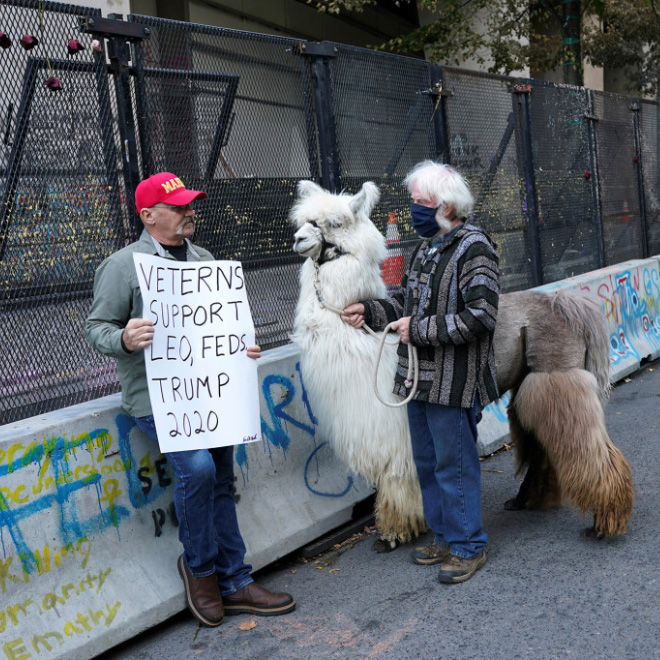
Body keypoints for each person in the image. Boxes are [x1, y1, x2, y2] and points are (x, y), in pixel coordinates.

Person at [86, 172, 295, 626]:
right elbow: (96, 328)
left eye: (189, 204)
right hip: (156, 399)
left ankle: (236, 580)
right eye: (177, 206)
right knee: (197, 469)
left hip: (209, 392)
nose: (188, 212)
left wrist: (242, 348)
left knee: (220, 474)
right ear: (148, 215)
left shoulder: (205, 259)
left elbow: (219, 329)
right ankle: (199, 570)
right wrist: (123, 336)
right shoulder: (124, 265)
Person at [341, 161, 499, 584]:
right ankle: (446, 536)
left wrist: (420, 329)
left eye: (421, 202)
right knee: (428, 463)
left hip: (454, 382)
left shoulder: (475, 248)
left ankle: (468, 546)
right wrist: (372, 311)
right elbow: (404, 306)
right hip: (417, 380)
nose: (414, 210)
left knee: (455, 464)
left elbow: (482, 317)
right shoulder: (426, 248)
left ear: (447, 205)